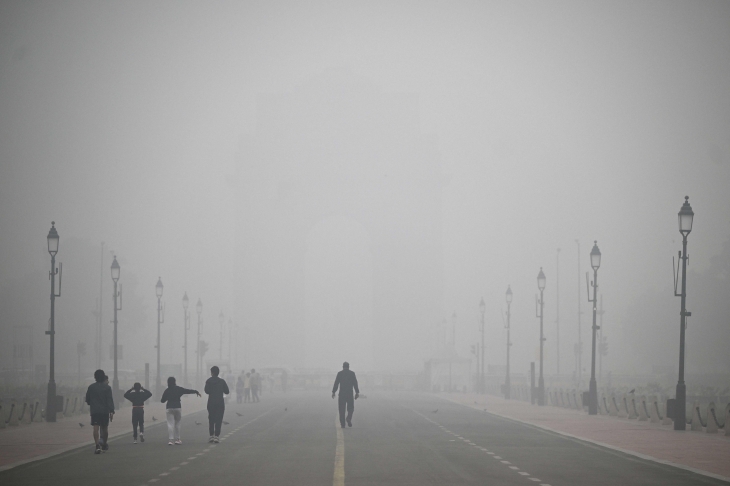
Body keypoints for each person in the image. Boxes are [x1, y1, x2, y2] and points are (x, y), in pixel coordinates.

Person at [160, 376, 200, 445]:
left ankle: (170, 440)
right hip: (177, 407)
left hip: (169, 408)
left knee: (170, 424)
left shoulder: (167, 390)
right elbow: (187, 391)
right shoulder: (178, 389)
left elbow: (162, 401)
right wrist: (195, 391)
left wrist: (167, 397)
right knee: (177, 423)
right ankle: (178, 439)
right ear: (175, 382)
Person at [86, 369, 115, 454]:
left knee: (96, 427)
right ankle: (104, 444)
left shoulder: (91, 387)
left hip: (95, 410)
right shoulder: (107, 388)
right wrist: (111, 411)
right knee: (104, 428)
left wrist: (92, 403)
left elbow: (87, 399)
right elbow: (109, 400)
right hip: (104, 410)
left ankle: (97, 445)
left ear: (95, 377)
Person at [204, 366, 230, 443]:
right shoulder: (222, 381)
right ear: (218, 372)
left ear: (212, 372)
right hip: (220, 402)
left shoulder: (208, 381)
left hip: (211, 402)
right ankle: (217, 436)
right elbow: (227, 391)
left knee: (211, 418)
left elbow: (206, 391)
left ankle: (211, 435)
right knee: (219, 419)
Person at [332, 362, 359, 428]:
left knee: (341, 409)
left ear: (343, 367)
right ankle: (349, 418)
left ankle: (343, 424)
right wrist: (357, 392)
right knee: (351, 408)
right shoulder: (352, 374)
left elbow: (336, 383)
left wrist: (333, 392)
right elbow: (355, 383)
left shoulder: (340, 374)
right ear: (348, 366)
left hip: (342, 394)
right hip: (349, 393)